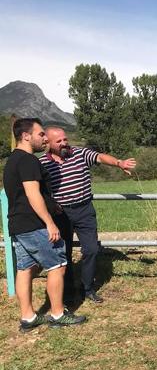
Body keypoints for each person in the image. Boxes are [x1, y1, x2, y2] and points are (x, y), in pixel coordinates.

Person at [3, 118, 87, 332]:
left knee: (26, 268)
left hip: (18, 224)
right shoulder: (29, 161)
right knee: (57, 265)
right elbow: (32, 194)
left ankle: (28, 317)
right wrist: (50, 223)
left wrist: (52, 204)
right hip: (33, 224)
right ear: (26, 136)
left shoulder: (12, 160)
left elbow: (23, 194)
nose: (44, 138)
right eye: (41, 134)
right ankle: (58, 314)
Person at [39, 126, 136, 304]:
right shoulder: (42, 163)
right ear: (49, 143)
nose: (64, 143)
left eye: (65, 139)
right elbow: (39, 191)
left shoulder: (79, 153)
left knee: (91, 249)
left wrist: (119, 163)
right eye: (59, 141)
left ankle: (87, 288)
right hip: (61, 214)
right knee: (63, 253)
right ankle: (67, 290)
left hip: (84, 210)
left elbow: (99, 156)